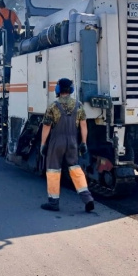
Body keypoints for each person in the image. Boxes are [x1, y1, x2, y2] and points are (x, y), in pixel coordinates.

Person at [40, 78, 95, 213]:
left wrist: (42, 144)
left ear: (58, 90)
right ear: (71, 89)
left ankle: (53, 202)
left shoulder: (53, 106)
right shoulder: (78, 105)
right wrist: (83, 142)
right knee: (75, 169)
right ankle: (87, 198)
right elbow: (83, 125)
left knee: (53, 170)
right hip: (72, 141)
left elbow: (46, 126)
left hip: (56, 141)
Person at [0, 1, 22, 81]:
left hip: (3, 36)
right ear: (5, 6)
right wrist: (17, 33)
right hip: (11, 36)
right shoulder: (12, 12)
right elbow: (19, 24)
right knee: (9, 55)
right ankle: (10, 74)